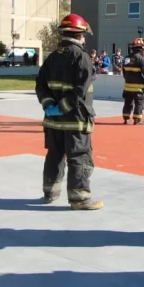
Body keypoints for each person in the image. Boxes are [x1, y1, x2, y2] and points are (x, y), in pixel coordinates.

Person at [35, 13, 102, 210]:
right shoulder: (82, 57)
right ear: (80, 35)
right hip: (76, 120)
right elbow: (79, 92)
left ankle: (50, 192)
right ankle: (79, 198)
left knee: (54, 156)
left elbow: (40, 85)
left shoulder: (52, 57)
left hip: (53, 122)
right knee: (79, 158)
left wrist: (49, 106)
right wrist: (64, 107)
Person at [122, 37, 144, 125]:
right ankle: (137, 119)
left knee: (128, 102)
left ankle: (126, 118)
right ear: (140, 48)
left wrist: (128, 80)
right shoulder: (141, 59)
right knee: (139, 103)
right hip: (138, 87)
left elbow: (124, 72)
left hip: (128, 86)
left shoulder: (126, 58)